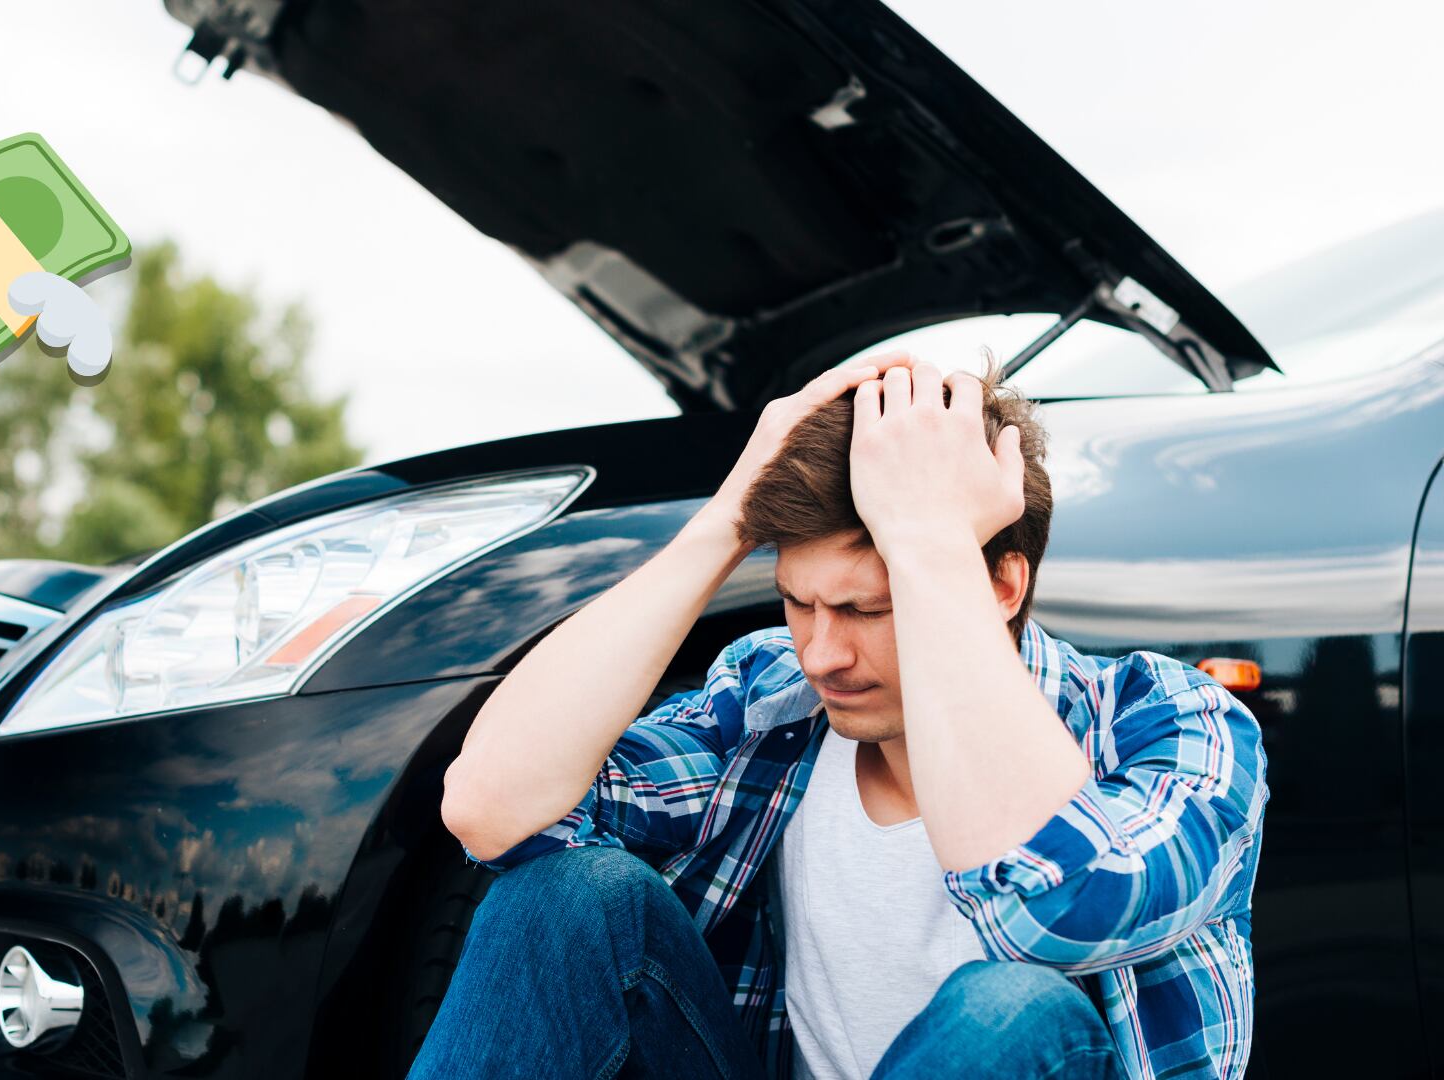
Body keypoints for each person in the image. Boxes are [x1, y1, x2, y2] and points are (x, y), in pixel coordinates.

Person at [417, 352, 1269, 1080]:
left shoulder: (1168, 720)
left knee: (1011, 1008)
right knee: (573, 895)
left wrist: (931, 544)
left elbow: (1053, 909)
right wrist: (726, 518)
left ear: (1002, 584)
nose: (821, 654)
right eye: (797, 604)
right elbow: (493, 808)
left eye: (867, 609)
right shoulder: (772, 705)